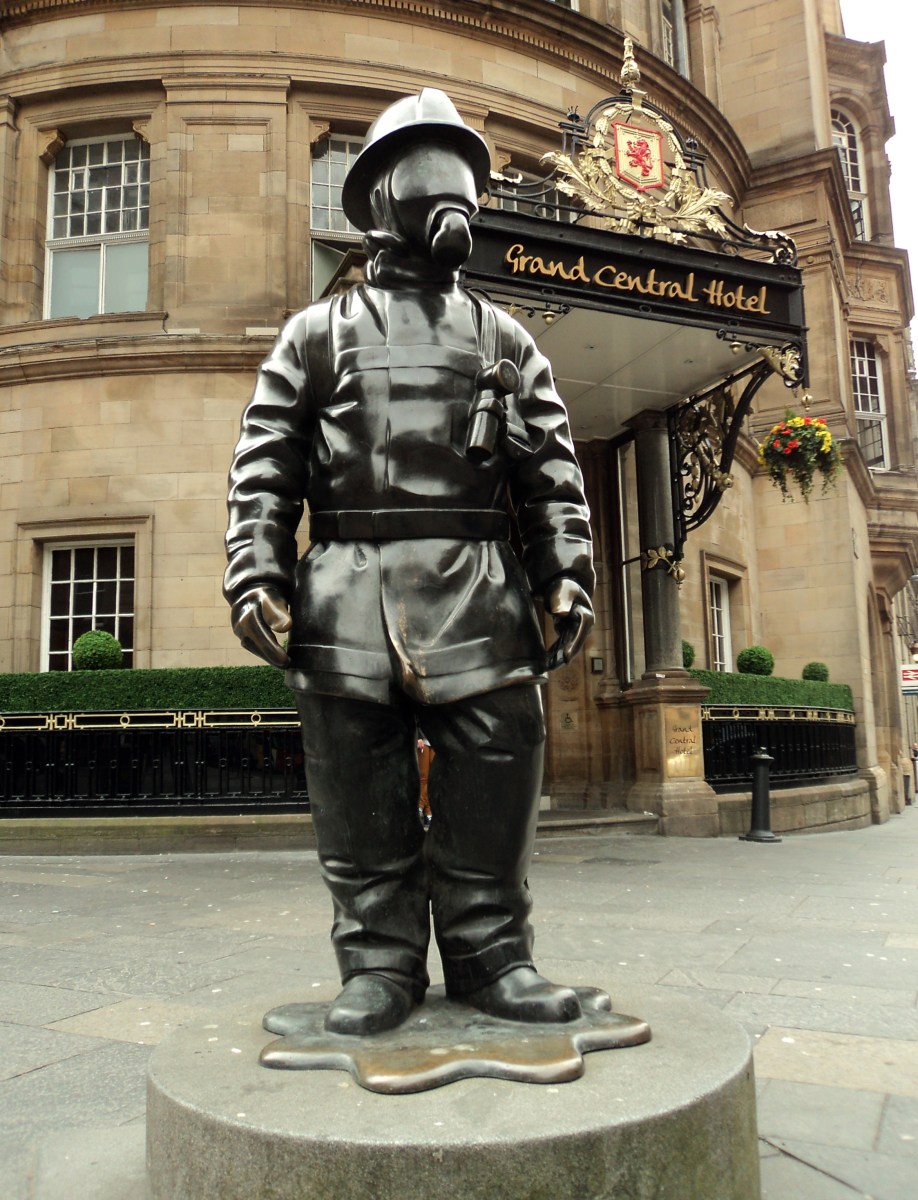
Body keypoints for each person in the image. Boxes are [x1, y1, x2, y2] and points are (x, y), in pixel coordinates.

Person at [224, 89, 598, 1036]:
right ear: (385, 196)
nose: (451, 201)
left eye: (462, 179)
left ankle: (490, 955)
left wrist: (565, 570)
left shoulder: (504, 336)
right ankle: (379, 963)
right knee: (356, 787)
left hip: (477, 584)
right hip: (347, 587)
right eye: (431, 177)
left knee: (498, 763)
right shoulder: (317, 333)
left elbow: (552, 468)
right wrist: (257, 573)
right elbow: (264, 465)